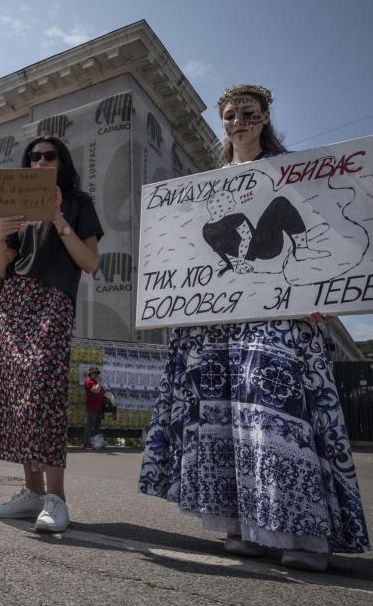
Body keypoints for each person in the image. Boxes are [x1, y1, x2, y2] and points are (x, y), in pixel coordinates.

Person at [138, 84, 370, 572]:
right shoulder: (206, 186)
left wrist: (322, 291)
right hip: (219, 321)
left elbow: (327, 229)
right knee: (224, 419)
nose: (237, 122)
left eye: (247, 113)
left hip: (277, 313)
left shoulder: (295, 174)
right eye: (229, 116)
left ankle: (303, 536)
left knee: (277, 415)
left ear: (265, 118)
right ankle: (244, 528)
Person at [0, 136, 103, 532]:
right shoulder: (17, 208)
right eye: (34, 157)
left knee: (45, 388)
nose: (41, 162)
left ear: (62, 161)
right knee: (17, 392)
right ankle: (31, 492)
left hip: (53, 299)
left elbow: (90, 262)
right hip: (15, 300)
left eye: (50, 156)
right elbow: (1, 276)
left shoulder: (78, 203)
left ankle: (56, 498)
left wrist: (58, 219)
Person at [82, 366, 104, 449]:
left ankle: (95, 442)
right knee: (90, 425)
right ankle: (86, 443)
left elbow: (100, 392)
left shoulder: (95, 382)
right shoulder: (89, 382)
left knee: (97, 426)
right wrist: (99, 383)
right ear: (90, 374)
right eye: (95, 373)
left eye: (97, 373)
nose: (97, 375)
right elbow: (96, 390)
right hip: (91, 407)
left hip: (98, 407)